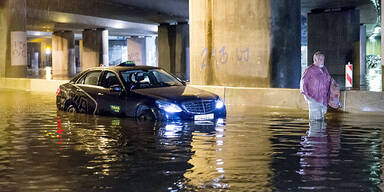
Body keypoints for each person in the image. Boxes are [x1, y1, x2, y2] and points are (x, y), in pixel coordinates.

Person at [300, 51, 331, 120]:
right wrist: (306, 95)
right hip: (313, 98)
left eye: (323, 59)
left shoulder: (324, 69)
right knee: (315, 120)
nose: (322, 61)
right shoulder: (309, 70)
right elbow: (303, 82)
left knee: (321, 119)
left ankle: (321, 130)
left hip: (323, 99)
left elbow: (329, 80)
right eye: (320, 59)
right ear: (314, 60)